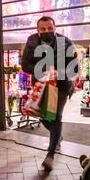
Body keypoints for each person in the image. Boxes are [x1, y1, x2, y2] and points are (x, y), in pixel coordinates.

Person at [22, 16, 78, 171]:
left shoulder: (65, 42)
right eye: (43, 29)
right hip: (41, 86)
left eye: (49, 28)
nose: (46, 31)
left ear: (55, 28)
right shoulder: (32, 41)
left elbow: (74, 66)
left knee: (55, 116)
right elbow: (25, 65)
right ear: (37, 30)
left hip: (61, 86)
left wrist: (57, 72)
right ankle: (57, 136)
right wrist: (42, 70)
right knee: (44, 117)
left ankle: (50, 155)